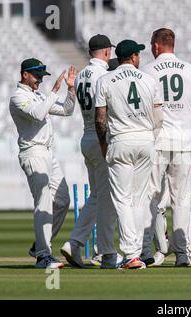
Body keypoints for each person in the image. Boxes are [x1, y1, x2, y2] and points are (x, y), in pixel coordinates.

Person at [95, 39, 163, 269]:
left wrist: (104, 145)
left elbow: (100, 119)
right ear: (133, 57)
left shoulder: (105, 80)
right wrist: (150, 138)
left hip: (120, 141)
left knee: (122, 199)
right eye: (138, 55)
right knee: (138, 199)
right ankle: (136, 252)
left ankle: (130, 254)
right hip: (145, 140)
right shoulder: (149, 79)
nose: (140, 58)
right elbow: (158, 118)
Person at [141, 28, 191, 267]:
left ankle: (144, 250)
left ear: (156, 46)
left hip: (157, 141)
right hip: (184, 140)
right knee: (181, 199)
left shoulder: (147, 71)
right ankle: (182, 254)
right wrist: (186, 115)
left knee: (150, 196)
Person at [61, 34, 122, 269]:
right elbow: (106, 114)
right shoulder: (104, 76)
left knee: (96, 197)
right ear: (106, 52)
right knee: (106, 199)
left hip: (85, 138)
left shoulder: (81, 76)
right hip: (100, 139)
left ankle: (75, 243)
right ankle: (107, 253)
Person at [9, 58, 76, 268]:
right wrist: (55, 90)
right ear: (24, 75)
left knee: (63, 200)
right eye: (37, 75)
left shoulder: (38, 95)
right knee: (44, 200)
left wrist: (71, 90)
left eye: (42, 76)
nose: (40, 80)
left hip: (49, 153)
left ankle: (39, 243)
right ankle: (43, 255)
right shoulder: (17, 97)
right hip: (33, 152)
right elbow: (38, 114)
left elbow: (67, 110)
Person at [151, 119, 191, 266]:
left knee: (185, 199)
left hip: (188, 138)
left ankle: (185, 250)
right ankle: (162, 248)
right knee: (158, 199)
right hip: (162, 140)